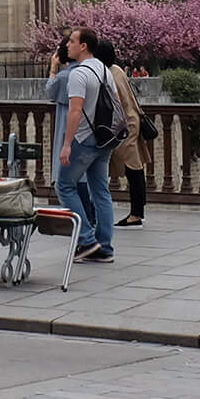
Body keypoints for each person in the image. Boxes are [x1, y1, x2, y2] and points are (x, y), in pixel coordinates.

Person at [47, 26, 119, 263]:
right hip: (104, 138)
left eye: (72, 41)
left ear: (83, 46)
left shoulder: (79, 74)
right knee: (100, 191)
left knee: (64, 186)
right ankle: (105, 247)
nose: (68, 45)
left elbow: (75, 112)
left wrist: (66, 144)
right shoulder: (104, 70)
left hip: (84, 138)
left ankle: (87, 239)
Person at [98, 35, 150, 228]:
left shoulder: (108, 74)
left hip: (125, 127)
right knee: (134, 169)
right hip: (131, 123)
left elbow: (114, 103)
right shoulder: (116, 70)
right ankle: (137, 211)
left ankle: (136, 214)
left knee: (132, 169)